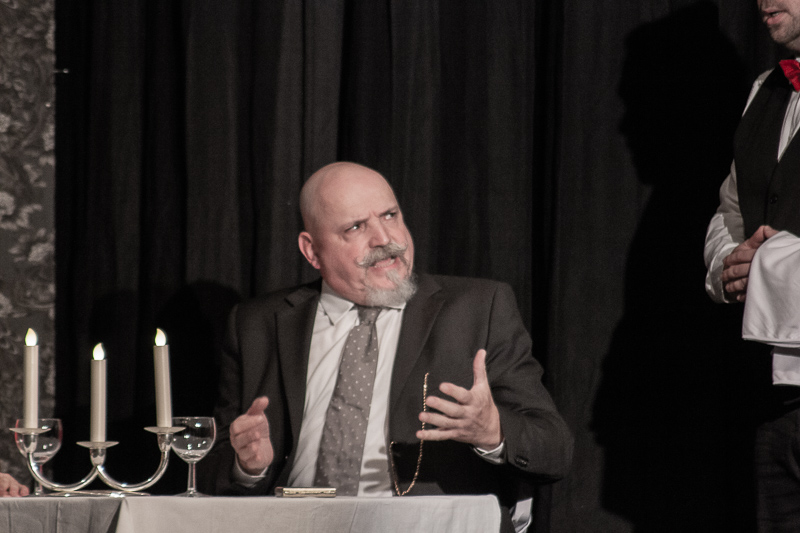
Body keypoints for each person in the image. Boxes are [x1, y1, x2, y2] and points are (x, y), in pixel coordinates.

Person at [200, 162, 572, 532]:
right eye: (356, 227)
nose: (384, 238)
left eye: (390, 216)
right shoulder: (257, 324)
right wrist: (246, 466)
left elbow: (554, 449)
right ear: (311, 251)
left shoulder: (479, 308)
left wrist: (494, 432)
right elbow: (206, 468)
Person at [704, 0, 800, 528]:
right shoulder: (766, 87)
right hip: (775, 395)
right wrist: (729, 264)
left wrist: (769, 266)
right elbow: (732, 208)